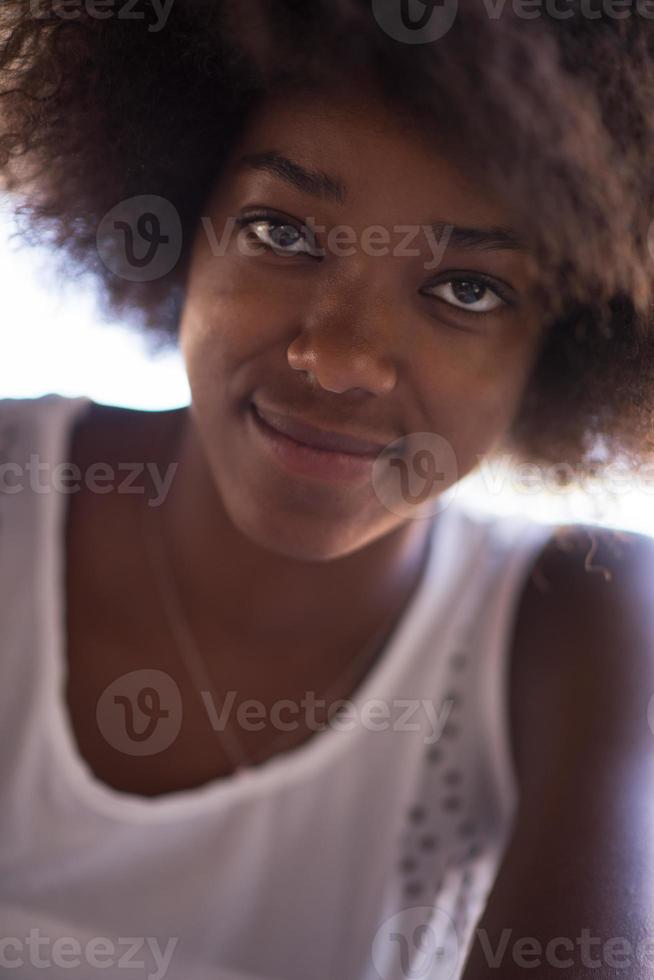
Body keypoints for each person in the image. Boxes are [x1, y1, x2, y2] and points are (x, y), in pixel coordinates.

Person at [1, 2, 654, 979]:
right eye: (283, 230)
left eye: (467, 289)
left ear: (560, 345)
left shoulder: (579, 627)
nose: (341, 356)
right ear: (184, 229)